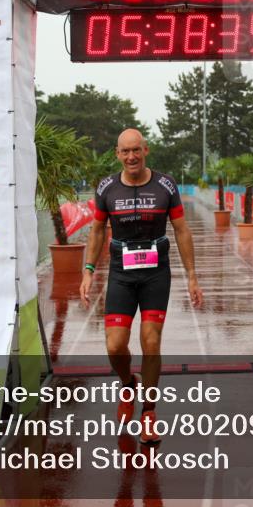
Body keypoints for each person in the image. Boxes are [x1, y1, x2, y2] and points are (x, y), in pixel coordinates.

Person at [79, 129, 204, 446]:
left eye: (136, 150)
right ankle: (127, 383)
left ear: (145, 150)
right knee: (115, 345)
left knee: (150, 341)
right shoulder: (107, 187)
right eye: (125, 151)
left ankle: (148, 412)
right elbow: (95, 232)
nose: (131, 156)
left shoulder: (166, 185)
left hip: (155, 273)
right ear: (117, 154)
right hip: (121, 272)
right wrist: (88, 271)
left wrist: (192, 275)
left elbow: (181, 229)